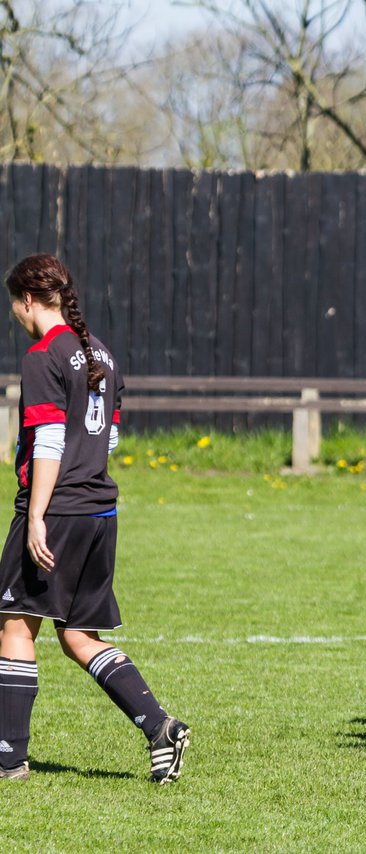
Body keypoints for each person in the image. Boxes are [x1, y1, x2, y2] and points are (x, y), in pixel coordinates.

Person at [0, 254, 190, 783]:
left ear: (29, 301)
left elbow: (51, 440)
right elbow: (109, 437)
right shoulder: (100, 351)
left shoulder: (43, 356)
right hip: (99, 510)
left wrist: (36, 514)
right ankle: (159, 727)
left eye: (14, 304)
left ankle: (9, 757)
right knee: (79, 635)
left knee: (16, 623)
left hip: (57, 509)